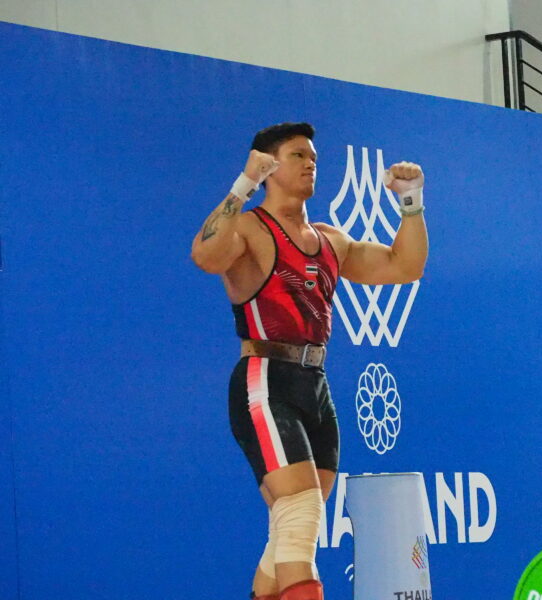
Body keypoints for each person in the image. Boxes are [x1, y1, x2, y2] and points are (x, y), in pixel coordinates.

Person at [190, 122, 428, 600]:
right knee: (298, 515)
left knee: (292, 529)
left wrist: (411, 202)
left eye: (313, 157)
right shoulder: (251, 228)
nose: (310, 163)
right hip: (266, 380)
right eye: (298, 155)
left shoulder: (329, 240)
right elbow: (206, 256)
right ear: (269, 165)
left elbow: (405, 266)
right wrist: (244, 184)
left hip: (315, 385)